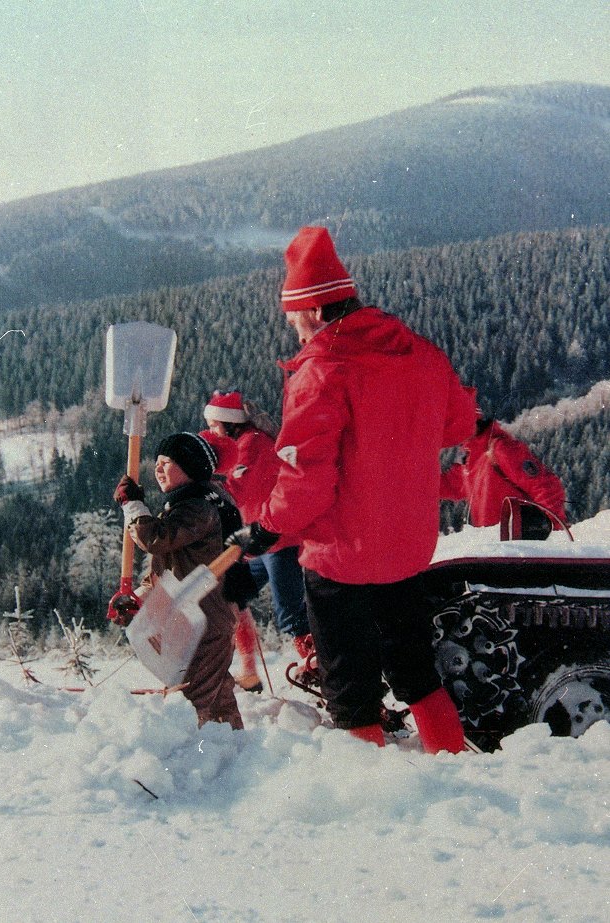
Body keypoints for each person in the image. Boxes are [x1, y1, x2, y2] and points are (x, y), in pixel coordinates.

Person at [227, 225, 478, 751]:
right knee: (416, 674)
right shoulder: (421, 354)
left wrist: (267, 528)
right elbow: (458, 427)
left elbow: (306, 484)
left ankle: (366, 802)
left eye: (294, 319)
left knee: (350, 689)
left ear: (315, 310)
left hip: (342, 558)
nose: (295, 332)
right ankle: (454, 770)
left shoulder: (320, 372)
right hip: (407, 549)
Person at [110, 431, 243, 730]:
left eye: (167, 462)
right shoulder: (190, 505)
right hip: (202, 616)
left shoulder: (199, 508)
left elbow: (156, 539)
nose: (157, 469)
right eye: (156, 462)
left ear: (191, 467)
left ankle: (200, 756)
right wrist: (142, 596)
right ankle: (233, 748)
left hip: (206, 619)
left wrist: (133, 507)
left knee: (195, 695)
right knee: (216, 691)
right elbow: (169, 567)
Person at [200, 389, 311, 656]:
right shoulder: (245, 442)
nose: (212, 431)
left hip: (278, 540)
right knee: (233, 596)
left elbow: (238, 489)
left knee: (290, 612)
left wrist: (202, 487)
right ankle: (246, 671)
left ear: (230, 422)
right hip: (259, 541)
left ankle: (317, 663)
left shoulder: (252, 443)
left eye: (215, 425)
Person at [440, 416, 568, 536]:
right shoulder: (470, 462)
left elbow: (546, 486)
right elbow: (445, 485)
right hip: (498, 550)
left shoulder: (501, 449)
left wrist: (552, 532)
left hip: (520, 548)